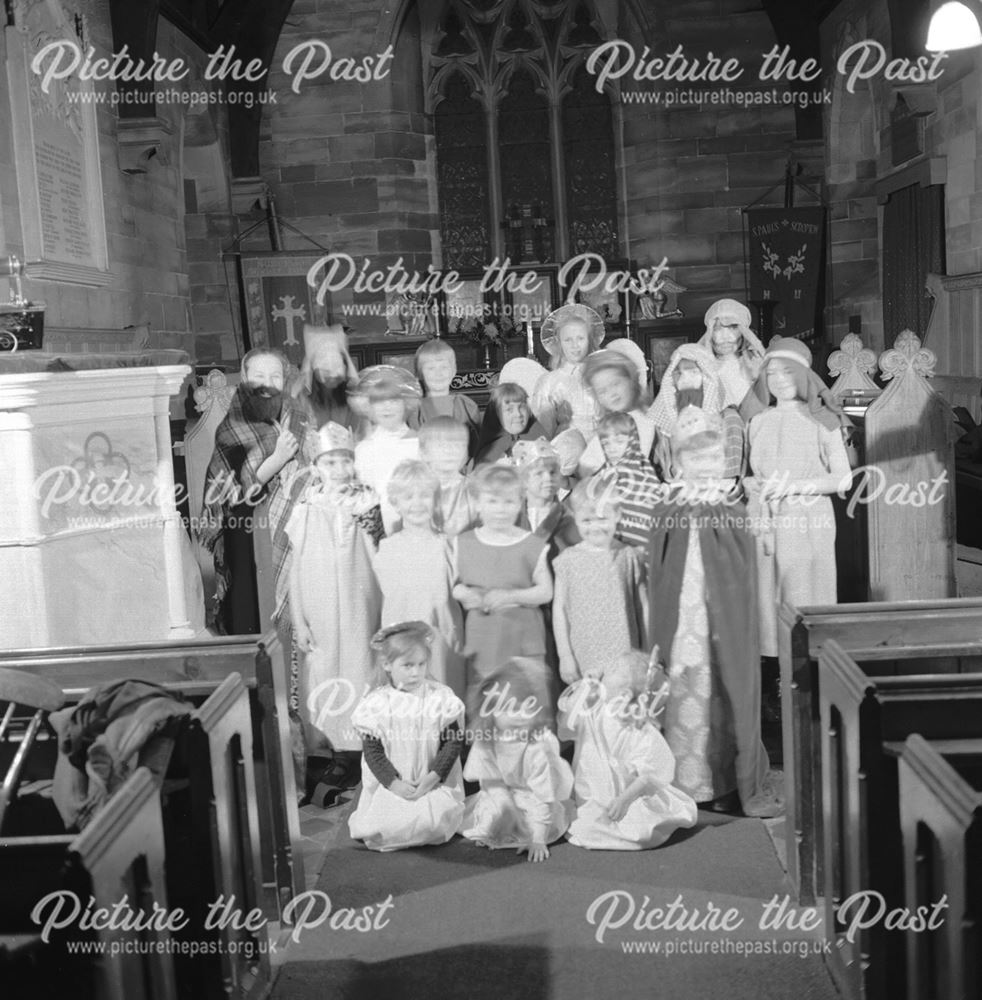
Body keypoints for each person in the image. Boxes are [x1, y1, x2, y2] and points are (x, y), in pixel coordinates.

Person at [647, 416, 777, 815]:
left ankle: (721, 781)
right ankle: (680, 780)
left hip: (719, 622)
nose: (705, 466)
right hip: (682, 620)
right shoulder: (670, 506)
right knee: (681, 690)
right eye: (696, 458)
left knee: (721, 691)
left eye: (712, 458)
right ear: (681, 462)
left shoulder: (732, 510)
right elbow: (659, 563)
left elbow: (742, 569)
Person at [285, 422, 382, 796]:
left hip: (360, 600)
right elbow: (296, 566)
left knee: (360, 669)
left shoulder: (366, 499)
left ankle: (360, 750)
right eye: (329, 462)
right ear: (315, 467)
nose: (338, 470)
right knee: (325, 675)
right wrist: (299, 619)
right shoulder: (307, 505)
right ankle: (332, 751)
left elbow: (377, 551)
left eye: (344, 461)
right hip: (320, 604)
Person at [745, 337, 852, 659]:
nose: (779, 381)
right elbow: (751, 471)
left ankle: (806, 672)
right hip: (765, 518)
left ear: (805, 376)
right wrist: (752, 484)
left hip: (806, 518)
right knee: (765, 596)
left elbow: (844, 478)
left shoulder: (822, 419)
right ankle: (774, 676)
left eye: (788, 373)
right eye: (772, 374)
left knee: (801, 595)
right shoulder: (757, 421)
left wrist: (793, 486)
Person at [199, 347, 308, 633]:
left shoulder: (295, 414)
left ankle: (286, 660)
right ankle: (255, 659)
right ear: (245, 378)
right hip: (248, 523)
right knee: (252, 601)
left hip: (289, 517)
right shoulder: (233, 425)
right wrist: (278, 459)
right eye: (259, 375)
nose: (267, 382)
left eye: (275, 375)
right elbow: (235, 488)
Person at [558, 651, 698, 849]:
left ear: (624, 694)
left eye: (614, 670)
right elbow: (568, 723)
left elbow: (650, 773)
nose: (606, 671)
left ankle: (623, 819)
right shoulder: (594, 708)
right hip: (593, 792)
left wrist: (625, 799)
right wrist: (584, 688)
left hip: (624, 793)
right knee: (584, 822)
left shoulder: (639, 730)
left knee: (636, 828)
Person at [348, 622, 466, 852]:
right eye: (408, 665)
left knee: (434, 821)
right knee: (386, 824)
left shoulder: (439, 696)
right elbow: (373, 752)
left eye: (421, 664)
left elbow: (452, 742)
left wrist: (432, 777)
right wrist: (394, 784)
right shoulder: (377, 703)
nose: (416, 672)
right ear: (388, 665)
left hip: (430, 782)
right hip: (395, 784)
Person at [461, 658, 574, 862]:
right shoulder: (486, 740)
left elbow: (543, 795)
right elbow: (491, 781)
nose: (520, 716)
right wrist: (507, 808)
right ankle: (505, 820)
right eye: (511, 709)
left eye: (527, 708)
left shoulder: (536, 745)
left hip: (533, 794)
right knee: (490, 818)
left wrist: (538, 839)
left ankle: (528, 829)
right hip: (504, 793)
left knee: (532, 826)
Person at [452, 464, 553, 687]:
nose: (500, 510)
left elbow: (545, 592)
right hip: (482, 639)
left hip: (523, 639)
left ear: (520, 503)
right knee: (486, 704)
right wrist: (464, 594)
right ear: (477, 503)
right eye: (492, 501)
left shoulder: (531, 544)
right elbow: (455, 584)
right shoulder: (464, 542)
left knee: (525, 707)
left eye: (508, 502)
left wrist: (510, 597)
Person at [373, 460, 466, 699]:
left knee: (444, 716)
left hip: (441, 648)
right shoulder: (387, 548)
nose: (417, 503)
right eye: (408, 497)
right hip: (402, 651)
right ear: (395, 502)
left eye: (424, 495)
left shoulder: (447, 545)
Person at [552, 482, 648, 685]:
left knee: (622, 709)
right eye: (586, 520)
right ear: (575, 518)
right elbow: (559, 609)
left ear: (618, 515)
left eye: (602, 519)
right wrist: (565, 656)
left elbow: (643, 607)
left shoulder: (629, 556)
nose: (595, 527)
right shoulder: (568, 560)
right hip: (584, 655)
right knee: (588, 710)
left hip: (625, 654)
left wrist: (647, 652)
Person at [648, 342, 745, 481]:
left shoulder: (729, 420)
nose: (684, 380)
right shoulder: (666, 425)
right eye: (678, 373)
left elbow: (729, 480)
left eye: (693, 372)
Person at [352, 365, 423, 534]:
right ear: (369, 407)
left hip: (415, 523)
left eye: (393, 401)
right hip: (377, 528)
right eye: (379, 402)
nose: (387, 407)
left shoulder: (418, 443)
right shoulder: (364, 449)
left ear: (406, 404)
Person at [529, 303, 605, 440]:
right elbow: (543, 430)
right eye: (568, 340)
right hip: (566, 451)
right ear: (559, 342)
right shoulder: (549, 382)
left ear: (589, 339)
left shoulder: (602, 375)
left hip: (601, 449)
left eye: (580, 338)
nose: (575, 345)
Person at [577, 343, 655, 477]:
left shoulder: (643, 419)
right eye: (602, 391)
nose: (612, 394)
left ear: (631, 379)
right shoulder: (612, 422)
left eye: (615, 384)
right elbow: (587, 464)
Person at [589, 412, 663, 549]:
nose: (612, 448)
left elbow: (650, 513)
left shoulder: (643, 474)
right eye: (606, 443)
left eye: (619, 441)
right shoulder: (604, 475)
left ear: (632, 441)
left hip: (640, 546)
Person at [290, 323, 364, 438]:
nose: (331, 373)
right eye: (324, 365)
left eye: (335, 364)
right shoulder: (302, 397)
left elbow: (361, 431)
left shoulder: (353, 396)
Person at [512, 438, 579, 562]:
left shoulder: (569, 520)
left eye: (552, 472)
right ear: (524, 479)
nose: (548, 478)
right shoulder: (511, 518)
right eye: (539, 473)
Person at [411, 339, 481, 456]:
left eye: (444, 367)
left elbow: (478, 447)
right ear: (419, 374)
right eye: (431, 368)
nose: (439, 374)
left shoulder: (466, 406)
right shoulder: (415, 410)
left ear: (454, 370)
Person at [697, 299, 766, 411]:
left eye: (733, 328)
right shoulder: (700, 367)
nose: (725, 336)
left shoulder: (756, 363)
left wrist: (759, 378)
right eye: (717, 329)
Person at [418, 417, 478, 538]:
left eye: (458, 445)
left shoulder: (475, 489)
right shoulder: (416, 491)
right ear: (424, 453)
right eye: (441, 445)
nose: (450, 451)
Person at [472, 382, 549, 466]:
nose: (518, 414)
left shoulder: (542, 441)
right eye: (509, 409)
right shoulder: (489, 453)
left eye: (521, 407)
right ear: (496, 414)